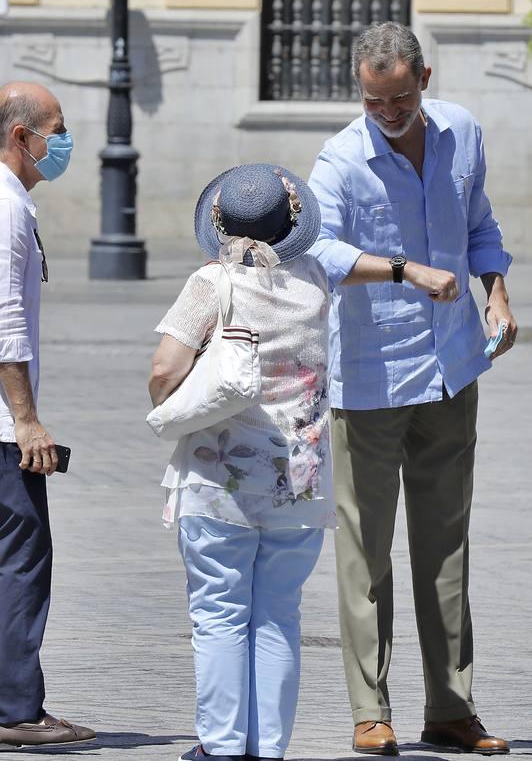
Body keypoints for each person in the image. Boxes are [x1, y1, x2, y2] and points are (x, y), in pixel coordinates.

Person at [307, 22, 516, 756]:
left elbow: (480, 224)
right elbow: (322, 251)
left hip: (452, 367)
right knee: (365, 552)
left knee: (444, 547)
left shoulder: (462, 133)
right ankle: (370, 710)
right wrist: (403, 269)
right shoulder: (338, 159)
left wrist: (496, 293)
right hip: (368, 379)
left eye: (398, 98)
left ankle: (451, 709)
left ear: (423, 80)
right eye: (373, 100)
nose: (387, 112)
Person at [148, 164, 335, 761]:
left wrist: (171, 404)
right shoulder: (314, 283)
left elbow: (163, 371)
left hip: (220, 478)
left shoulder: (211, 283)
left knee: (220, 614)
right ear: (292, 222)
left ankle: (223, 747)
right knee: (279, 614)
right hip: (300, 479)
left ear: (220, 222)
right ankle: (268, 749)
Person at [0, 82, 96, 749]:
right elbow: (5, 322)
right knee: (22, 562)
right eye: (54, 130)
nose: (61, 143)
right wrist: (26, 421)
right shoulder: (6, 210)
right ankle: (16, 709)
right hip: (3, 426)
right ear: (20, 136)